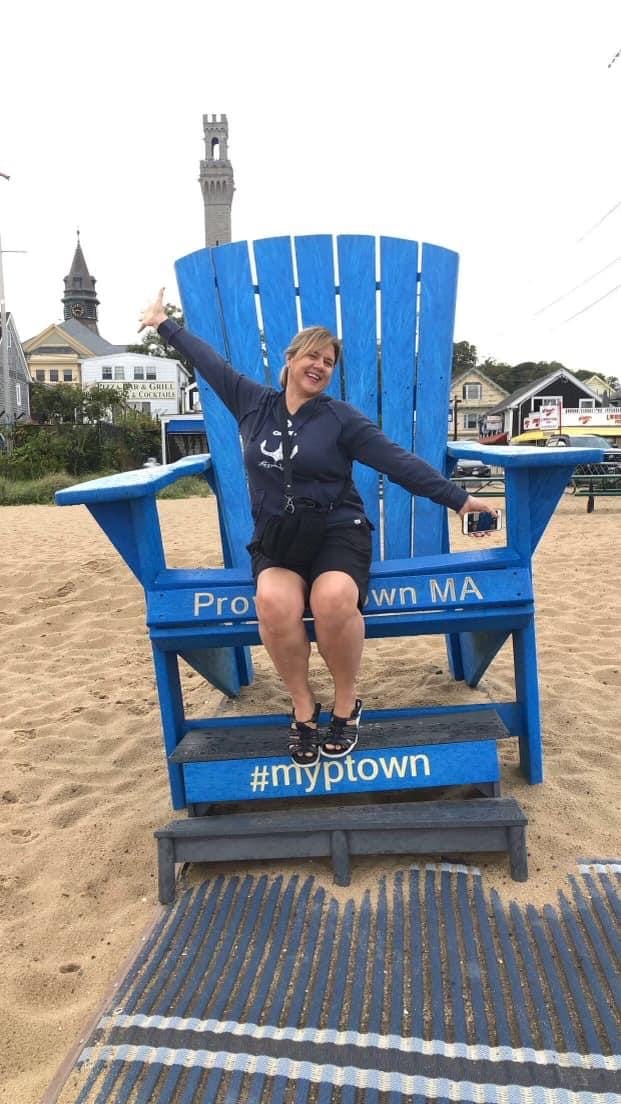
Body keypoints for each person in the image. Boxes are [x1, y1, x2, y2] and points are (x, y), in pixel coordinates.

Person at [139, 289, 499, 768]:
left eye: (328, 361)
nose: (320, 365)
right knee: (273, 602)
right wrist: (165, 324)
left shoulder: (340, 419)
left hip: (337, 532)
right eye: (312, 355)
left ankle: (346, 703)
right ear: (289, 360)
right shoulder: (252, 402)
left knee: (331, 599)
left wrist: (458, 498)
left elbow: (397, 461)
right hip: (279, 540)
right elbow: (208, 361)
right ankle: (304, 706)